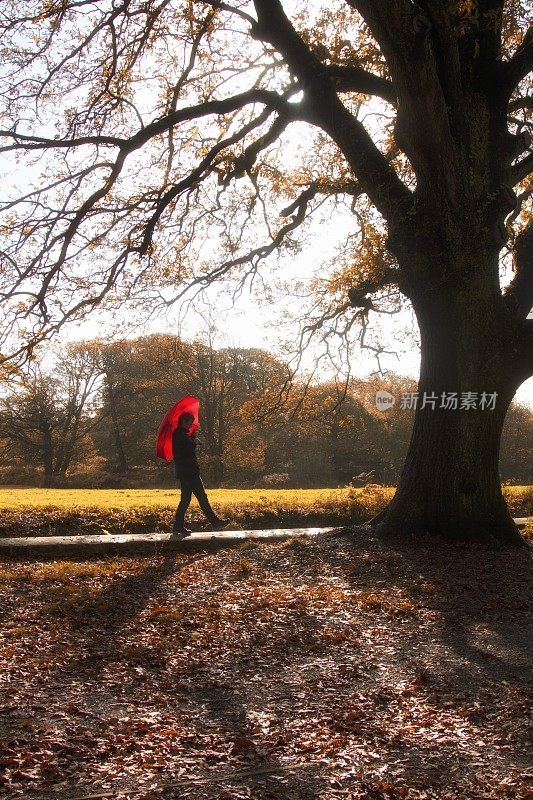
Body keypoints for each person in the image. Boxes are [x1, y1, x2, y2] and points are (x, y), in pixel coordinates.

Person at [172, 411, 229, 537]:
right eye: (190, 423)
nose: (190, 425)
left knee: (185, 500)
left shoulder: (181, 434)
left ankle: (178, 526)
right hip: (189, 471)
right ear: (184, 422)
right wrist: (193, 443)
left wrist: (192, 439)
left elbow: (185, 447)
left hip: (185, 471)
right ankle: (215, 521)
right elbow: (183, 452)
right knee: (202, 497)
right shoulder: (179, 435)